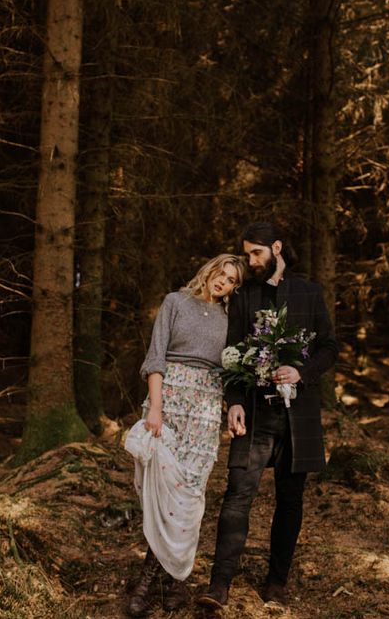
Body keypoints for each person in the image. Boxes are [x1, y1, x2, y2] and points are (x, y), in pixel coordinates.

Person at [197, 222, 338, 609]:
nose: (250, 261)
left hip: (299, 413)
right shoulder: (245, 296)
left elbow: (328, 346)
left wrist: (303, 372)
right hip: (256, 413)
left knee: (291, 500)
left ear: (277, 247)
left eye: (256, 253)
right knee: (238, 495)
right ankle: (218, 586)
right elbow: (231, 353)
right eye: (246, 254)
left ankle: (276, 583)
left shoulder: (309, 292)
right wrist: (235, 400)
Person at [124, 253, 245, 618]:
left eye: (232, 280)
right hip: (169, 401)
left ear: (234, 289)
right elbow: (155, 357)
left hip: (205, 409)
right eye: (221, 273)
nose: (223, 281)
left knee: (190, 494)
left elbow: (230, 374)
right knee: (160, 493)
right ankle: (161, 578)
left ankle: (168, 577)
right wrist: (156, 407)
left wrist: (231, 408)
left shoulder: (230, 321)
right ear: (209, 271)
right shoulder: (175, 302)